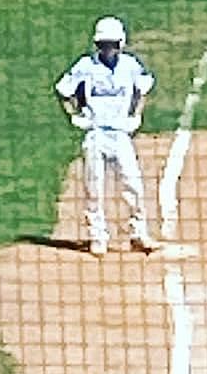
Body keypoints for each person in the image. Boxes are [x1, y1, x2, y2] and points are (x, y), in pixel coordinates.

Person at [54, 17, 161, 257]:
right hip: (95, 135)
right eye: (103, 44)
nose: (107, 49)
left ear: (120, 43)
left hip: (121, 135)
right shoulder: (85, 66)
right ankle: (97, 236)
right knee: (94, 188)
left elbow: (142, 89)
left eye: (111, 44)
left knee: (133, 185)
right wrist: (74, 115)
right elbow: (63, 90)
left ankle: (138, 234)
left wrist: (136, 114)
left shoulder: (130, 65)